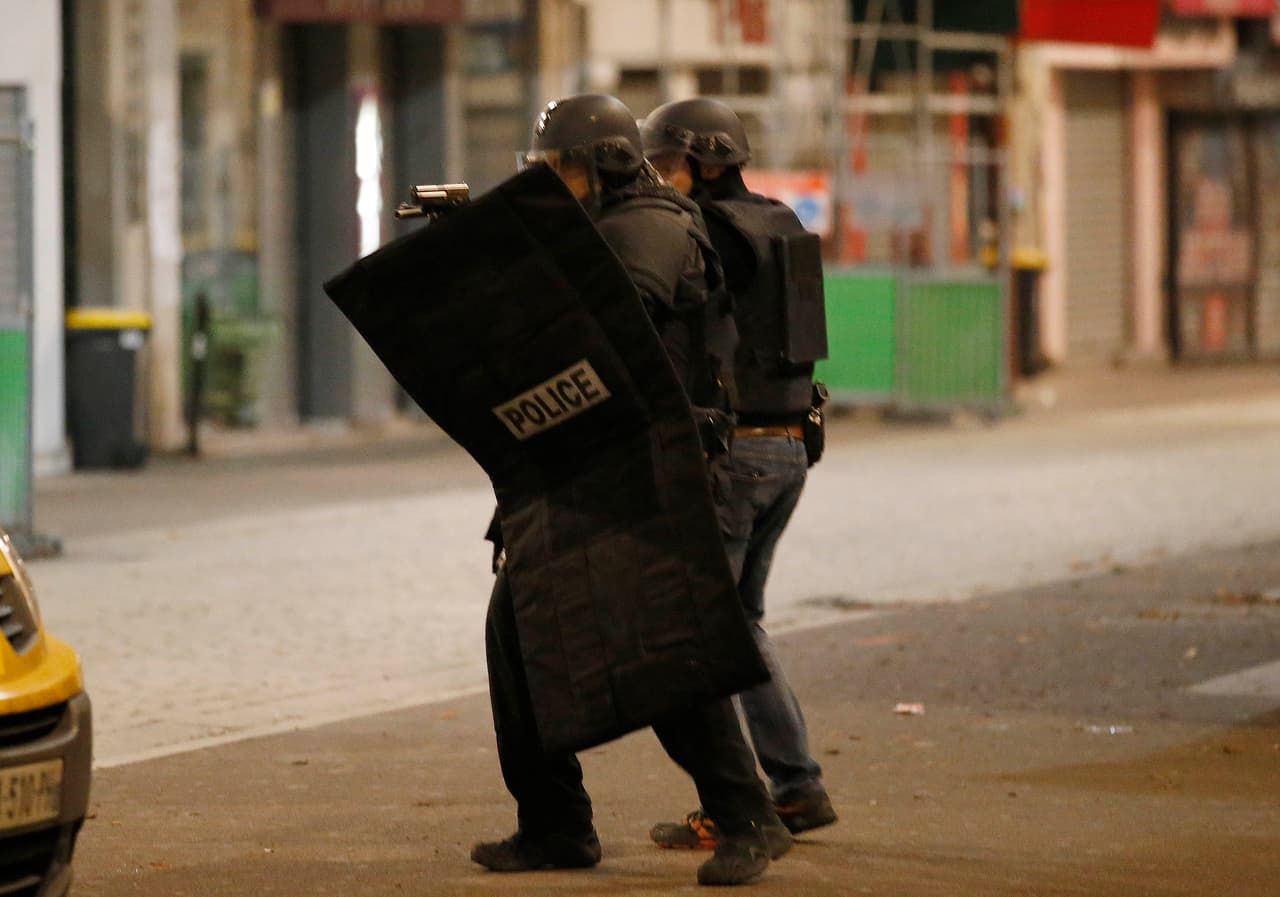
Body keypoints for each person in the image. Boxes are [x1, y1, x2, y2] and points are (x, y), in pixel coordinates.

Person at [471, 93, 791, 887]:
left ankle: (748, 813)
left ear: (604, 164)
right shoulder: (604, 225)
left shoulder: (649, 224)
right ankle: (554, 825)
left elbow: (607, 325)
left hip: (648, 471)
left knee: (663, 649)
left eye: (560, 167)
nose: (550, 181)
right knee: (514, 631)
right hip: (585, 467)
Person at [640, 97, 837, 850]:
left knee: (700, 633)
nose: (658, 177)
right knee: (740, 623)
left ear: (700, 162)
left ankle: (739, 806)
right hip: (790, 447)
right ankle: (796, 787)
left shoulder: (699, 230)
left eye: (665, 163)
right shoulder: (780, 221)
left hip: (736, 457)